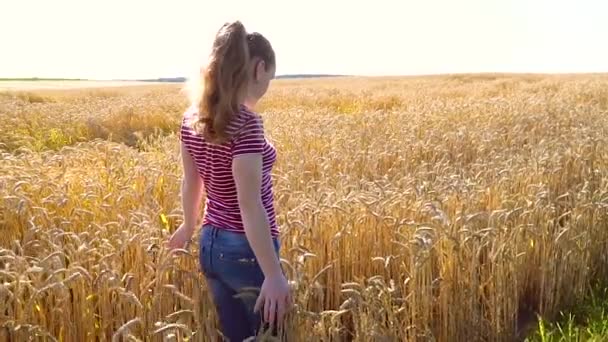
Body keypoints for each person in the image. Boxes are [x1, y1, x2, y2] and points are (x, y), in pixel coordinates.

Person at [167, 20, 292, 341]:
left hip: (210, 245)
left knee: (237, 337)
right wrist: (274, 274)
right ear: (259, 68)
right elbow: (249, 205)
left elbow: (191, 181)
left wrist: (188, 225)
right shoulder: (247, 124)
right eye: (270, 78)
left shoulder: (192, 117)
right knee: (269, 337)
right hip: (245, 250)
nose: (268, 86)